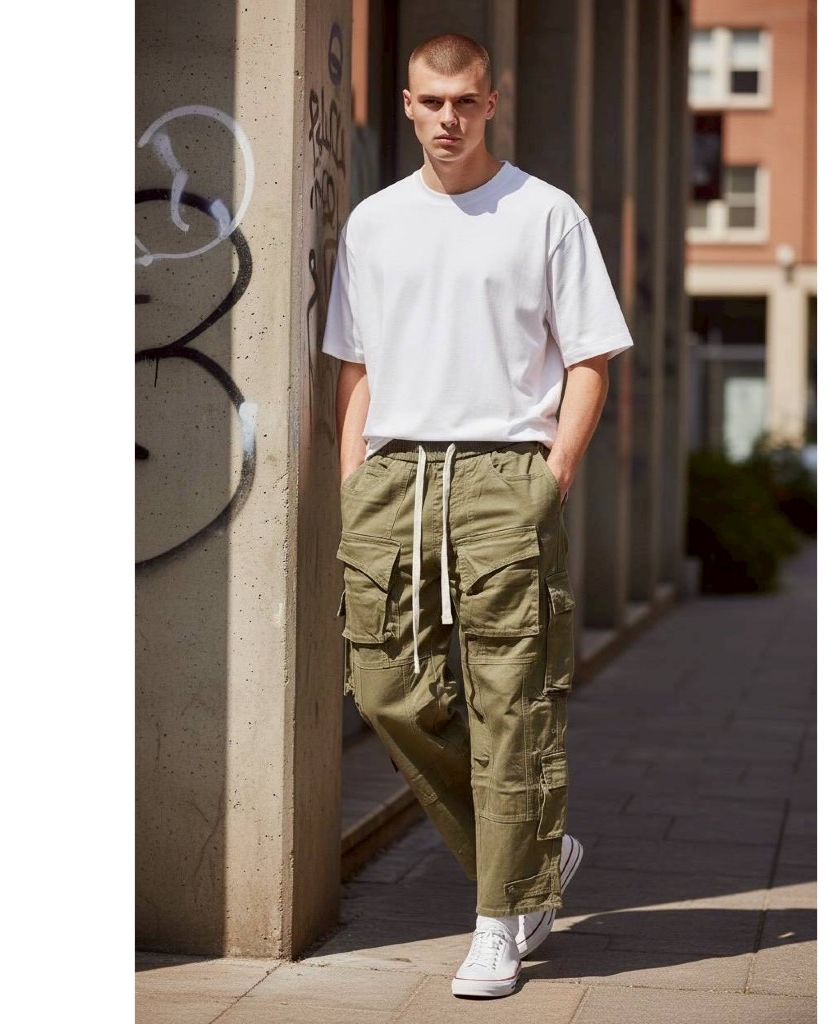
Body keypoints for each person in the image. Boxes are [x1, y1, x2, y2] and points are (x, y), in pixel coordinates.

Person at [322, 32, 633, 999]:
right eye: (431, 101)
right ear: (407, 106)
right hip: (396, 475)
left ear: (491, 102)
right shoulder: (374, 222)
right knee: (385, 691)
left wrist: (554, 471)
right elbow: (356, 365)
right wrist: (353, 479)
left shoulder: (545, 213)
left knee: (511, 702)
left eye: (465, 101)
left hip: (505, 472)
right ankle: (534, 854)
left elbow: (589, 358)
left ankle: (499, 920)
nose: (448, 118)